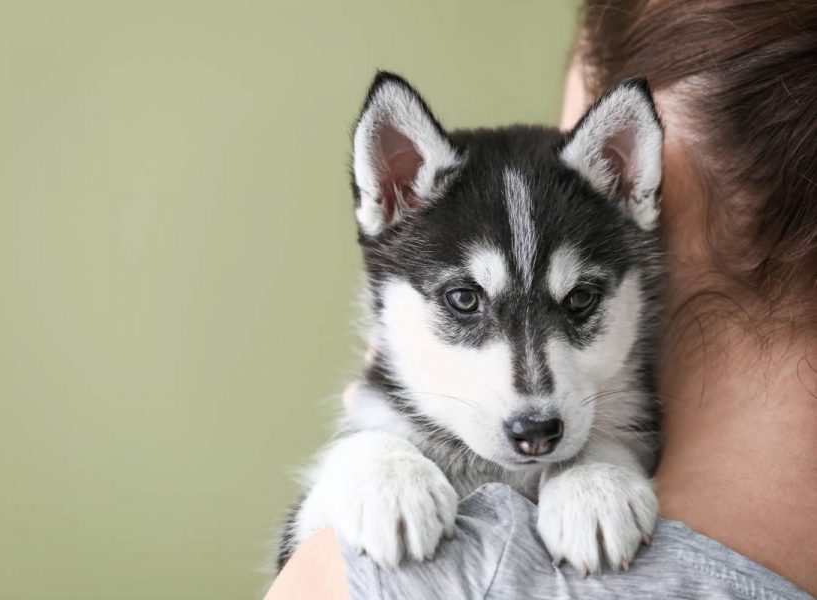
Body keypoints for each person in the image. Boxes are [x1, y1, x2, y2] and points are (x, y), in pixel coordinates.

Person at [266, 0, 817, 597]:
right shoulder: (381, 433)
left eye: (580, 301)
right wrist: (372, 459)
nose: (534, 399)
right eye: (463, 302)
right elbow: (313, 530)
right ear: (393, 196)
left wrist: (600, 465)